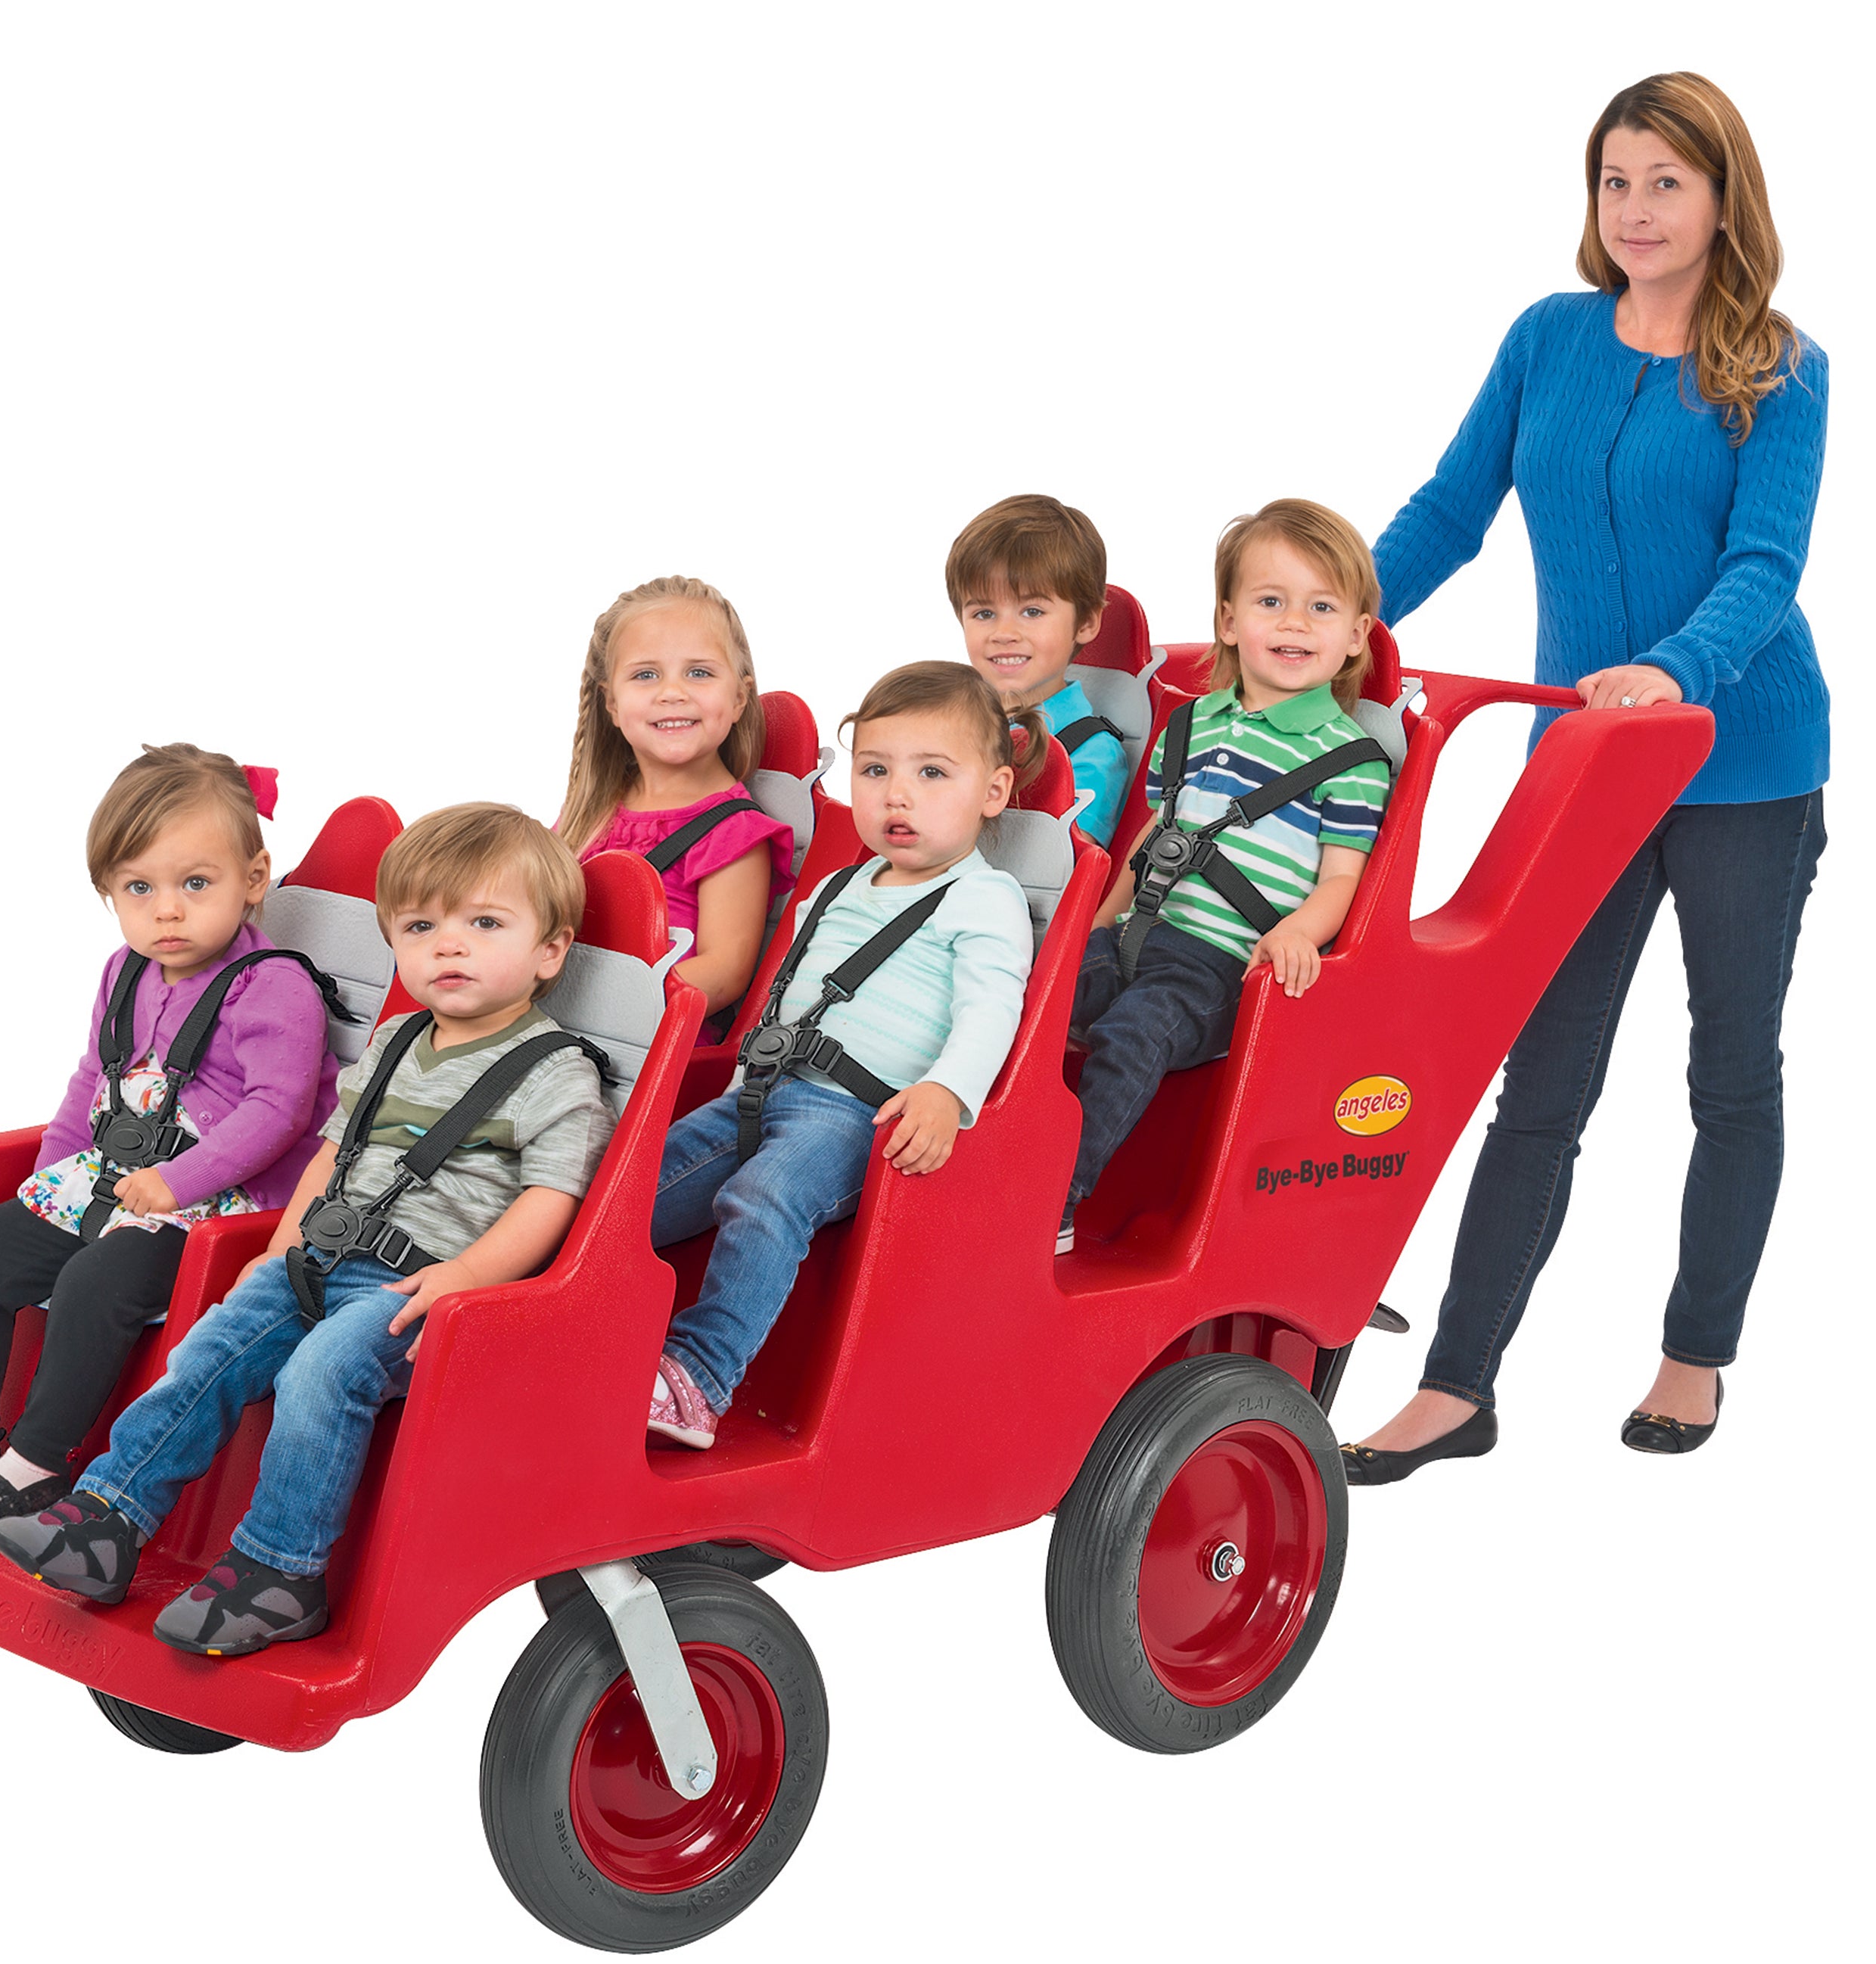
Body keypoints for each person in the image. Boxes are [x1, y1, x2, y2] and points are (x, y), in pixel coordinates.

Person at [1343, 71, 1828, 1485]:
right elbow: (1451, 510)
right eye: (1616, 182)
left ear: (1724, 197)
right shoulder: (1547, 340)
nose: (1636, 211)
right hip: (1583, 769)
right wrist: (1320, 625)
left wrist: (1676, 669)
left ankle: (1696, 1355)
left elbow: (1765, 566)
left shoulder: (1782, 367)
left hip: (1745, 762)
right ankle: (1458, 1386)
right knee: (1539, 1074)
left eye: (1666, 182)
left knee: (1730, 1073)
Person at [0, 804, 616, 1654]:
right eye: (423, 926)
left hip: (420, 1284)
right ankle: (109, 1514)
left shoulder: (557, 1071)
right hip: (318, 1255)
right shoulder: (396, 1040)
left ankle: (283, 1570)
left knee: (322, 1371)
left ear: (551, 950)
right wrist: (282, 1251)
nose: (450, 945)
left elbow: (553, 1197)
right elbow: (333, 1151)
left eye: (485, 924)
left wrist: (468, 1279)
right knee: (206, 1353)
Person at [0, 745, 338, 1539]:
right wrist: (49, 1188)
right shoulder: (126, 972)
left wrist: (178, 1181)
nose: (165, 912)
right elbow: (93, 1084)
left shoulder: (273, 985)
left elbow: (275, 1113)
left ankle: (39, 1459)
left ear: (253, 878)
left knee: (97, 1282)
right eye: (139, 888)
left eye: (194, 884)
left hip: (218, 1206)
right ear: (109, 892)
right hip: (112, 1177)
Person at [646, 662, 1038, 1449]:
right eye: (875, 770)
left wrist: (946, 1092)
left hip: (856, 1117)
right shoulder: (837, 886)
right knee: (638, 1186)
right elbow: (782, 997)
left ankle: (698, 1376)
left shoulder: (983, 899)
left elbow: (991, 1009)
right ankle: (572, 1316)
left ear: (993, 793)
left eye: (932, 774)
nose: (898, 795)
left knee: (767, 1196)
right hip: (761, 1092)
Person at [1062, 501, 1391, 1252]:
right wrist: (1094, 924)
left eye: (1321, 608)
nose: (1295, 624)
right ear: (1228, 619)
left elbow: (1343, 877)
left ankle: (1057, 1198)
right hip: (1136, 932)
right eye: (1271, 602)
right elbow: (1157, 833)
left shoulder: (1351, 759)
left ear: (1354, 637)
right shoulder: (1195, 721)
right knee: (1027, 996)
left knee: (1131, 1036)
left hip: (1216, 968)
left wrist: (1294, 934)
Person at [559, 574, 794, 1037]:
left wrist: (603, 1004)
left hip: (647, 1048)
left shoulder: (735, 832)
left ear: (739, 697)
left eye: (699, 672)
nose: (673, 692)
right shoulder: (590, 812)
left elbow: (725, 972)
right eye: (646, 675)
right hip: (559, 1025)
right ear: (611, 701)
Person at [950, 493, 1133, 846]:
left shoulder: (1091, 753)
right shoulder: (949, 723)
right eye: (984, 614)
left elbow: (1062, 870)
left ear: (1086, 622)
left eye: (1032, 611)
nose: (1004, 633)